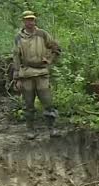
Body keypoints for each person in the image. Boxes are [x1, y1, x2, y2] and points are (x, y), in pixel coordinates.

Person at [12, 10, 61, 139]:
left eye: (32, 20)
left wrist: (49, 60)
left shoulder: (42, 34)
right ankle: (30, 130)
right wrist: (16, 77)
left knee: (48, 102)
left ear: (35, 21)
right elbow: (16, 57)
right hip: (26, 74)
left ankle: (52, 128)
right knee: (28, 104)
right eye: (27, 20)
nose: (30, 22)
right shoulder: (18, 37)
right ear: (23, 21)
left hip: (41, 73)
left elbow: (56, 48)